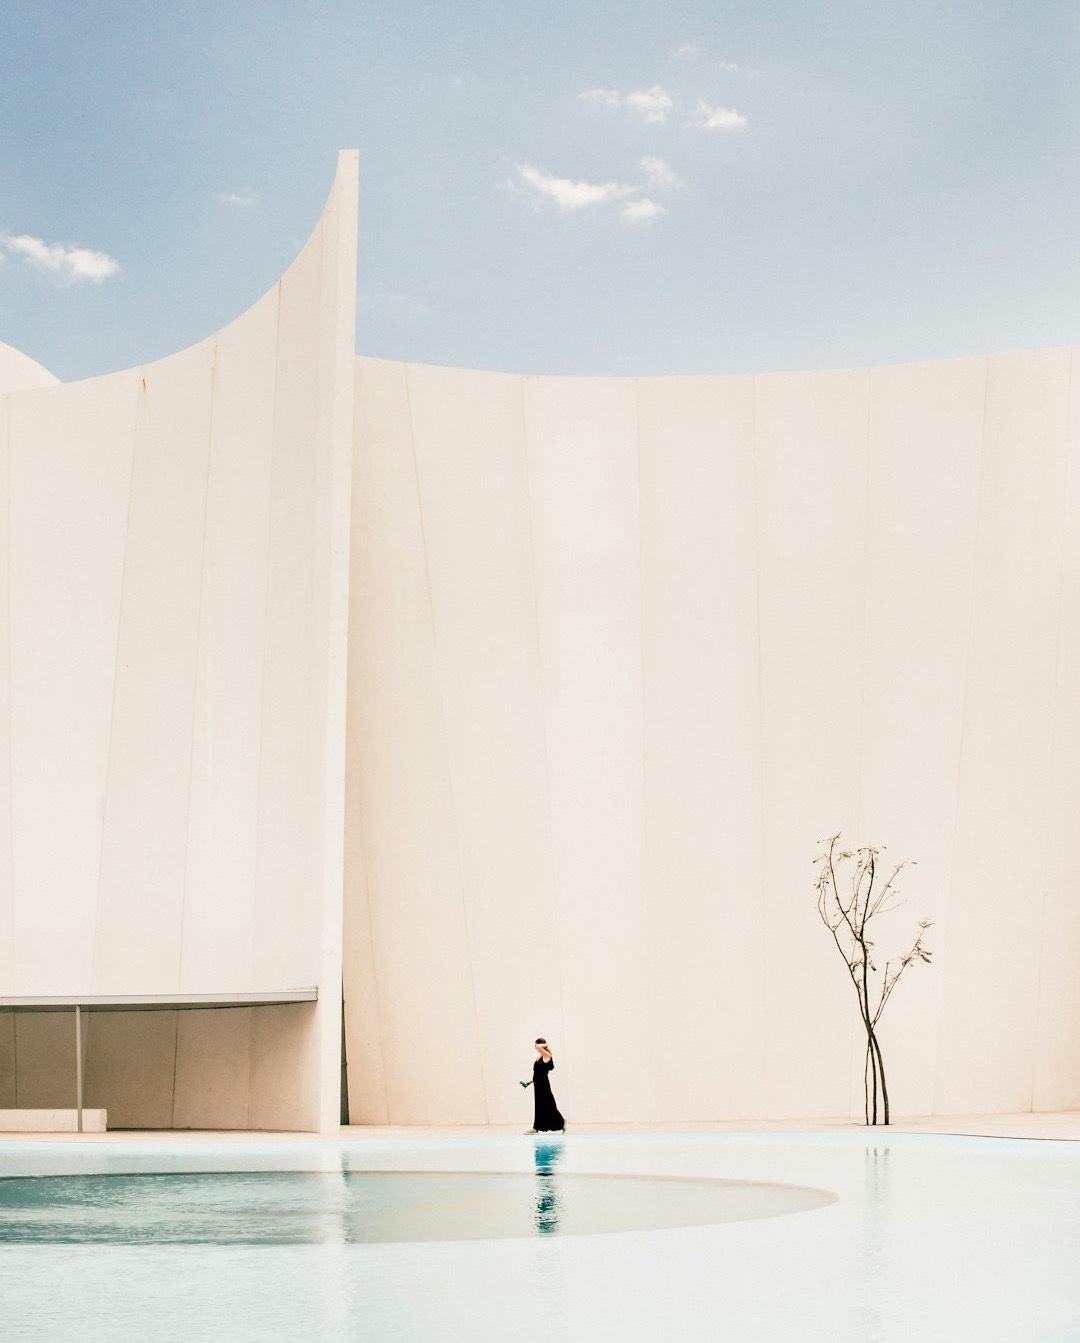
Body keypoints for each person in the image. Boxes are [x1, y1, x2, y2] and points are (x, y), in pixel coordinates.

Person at [521, 1037, 565, 1134]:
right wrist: (528, 1082)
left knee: (549, 1105)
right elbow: (538, 1073)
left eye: (536, 1045)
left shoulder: (547, 1054)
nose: (535, 1048)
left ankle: (561, 1122)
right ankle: (536, 1128)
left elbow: (537, 1046)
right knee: (540, 1106)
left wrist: (545, 1044)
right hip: (538, 1084)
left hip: (543, 1084)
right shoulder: (541, 1056)